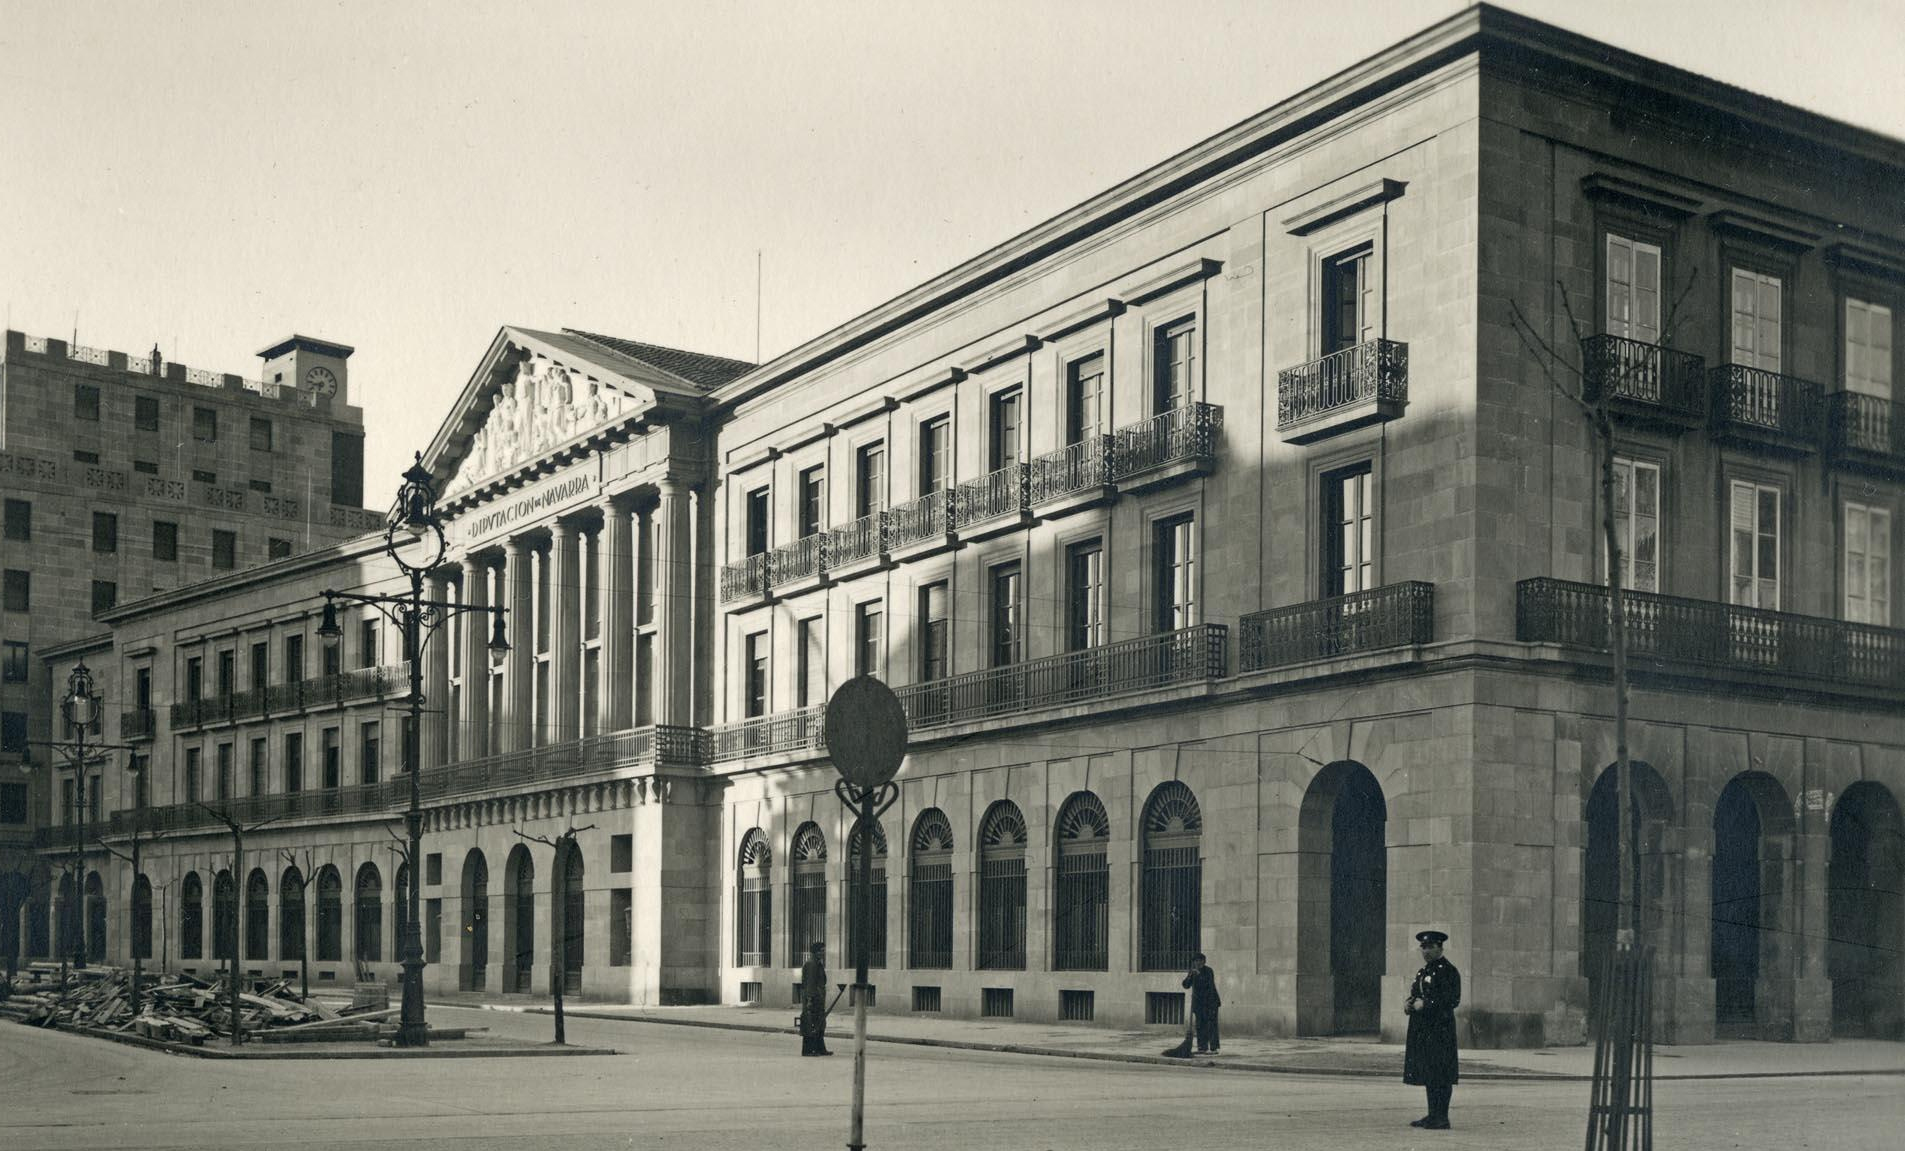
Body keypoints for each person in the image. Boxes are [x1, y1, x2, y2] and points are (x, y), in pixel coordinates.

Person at [1403, 929, 1461, 1129]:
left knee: (1442, 1074)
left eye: (1430, 947)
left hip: (1440, 1031)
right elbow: (1415, 992)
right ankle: (1432, 1114)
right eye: (1423, 947)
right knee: (1429, 1072)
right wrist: (1409, 1004)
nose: (1426, 951)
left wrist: (1426, 1004)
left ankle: (1442, 1117)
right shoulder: (1424, 971)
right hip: (1424, 1031)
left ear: (1440, 948)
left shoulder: (1448, 971)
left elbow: (1452, 999)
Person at [1181, 952, 1221, 1053]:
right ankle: (1202, 1047)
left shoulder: (1208, 971)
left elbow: (1209, 986)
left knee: (1211, 1025)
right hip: (1199, 1003)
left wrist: (1198, 976)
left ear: (1204, 961)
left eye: (1200, 961)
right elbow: (1185, 985)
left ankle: (1214, 1047)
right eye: (1196, 961)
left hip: (1211, 1002)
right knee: (1200, 1025)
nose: (1198, 963)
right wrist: (1190, 976)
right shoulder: (1192, 972)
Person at [798, 941, 832, 1056]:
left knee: (820, 1023)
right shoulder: (811, 964)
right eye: (821, 951)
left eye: (823, 951)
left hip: (818, 998)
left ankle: (820, 1048)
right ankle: (808, 1050)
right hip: (813, 999)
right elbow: (810, 984)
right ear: (815, 952)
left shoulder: (817, 963)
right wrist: (810, 1000)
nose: (823, 953)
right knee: (811, 1023)